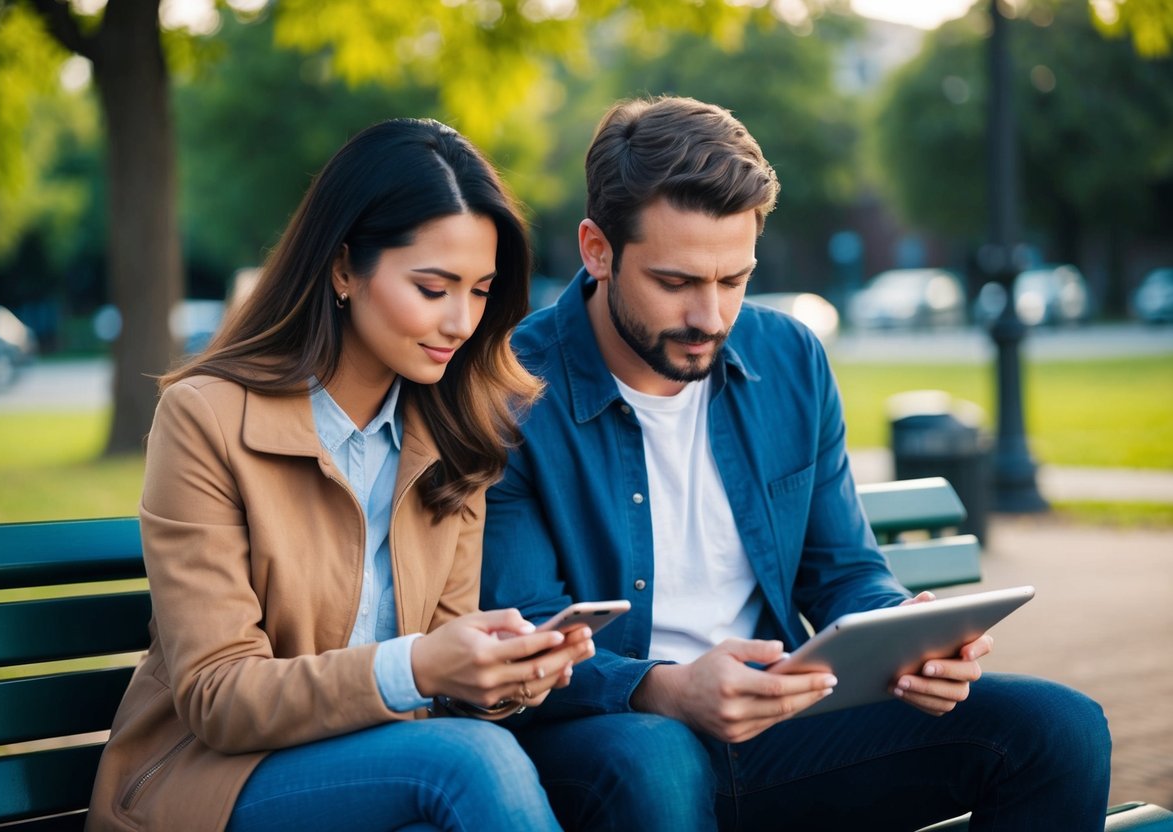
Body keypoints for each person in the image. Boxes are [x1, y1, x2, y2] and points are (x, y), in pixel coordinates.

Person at [480, 96, 1111, 831]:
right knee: (655, 760)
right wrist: (666, 688)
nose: (710, 318)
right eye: (676, 282)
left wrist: (903, 636)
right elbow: (522, 632)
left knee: (1056, 731)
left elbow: (843, 570)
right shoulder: (508, 388)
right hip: (611, 741)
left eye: (734, 279)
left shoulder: (789, 358)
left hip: (780, 726)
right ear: (596, 250)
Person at [87, 119, 594, 832]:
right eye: (431, 287)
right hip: (211, 784)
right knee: (473, 763)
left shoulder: (458, 435)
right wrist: (417, 667)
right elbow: (218, 696)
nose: (460, 321)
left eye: (480, 291)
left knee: (480, 756)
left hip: (390, 773)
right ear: (343, 268)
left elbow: (444, 679)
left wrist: (499, 679)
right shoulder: (205, 418)